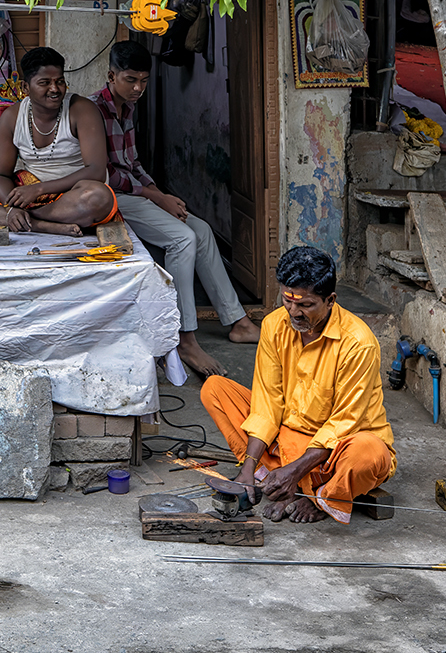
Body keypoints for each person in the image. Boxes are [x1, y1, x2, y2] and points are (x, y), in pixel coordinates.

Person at [93, 41, 260, 378]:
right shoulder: (95, 111)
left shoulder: (128, 108)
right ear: (111, 76)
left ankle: (237, 320)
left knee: (200, 229)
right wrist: (154, 197)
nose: (138, 88)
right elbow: (103, 173)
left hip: (136, 193)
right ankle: (184, 337)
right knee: (183, 238)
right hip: (109, 197)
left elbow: (132, 162)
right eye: (130, 80)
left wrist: (159, 192)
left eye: (143, 80)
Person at [200, 246, 396, 525]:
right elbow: (267, 404)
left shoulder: (358, 343)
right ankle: (280, 478)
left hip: (336, 451)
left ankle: (321, 496)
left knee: (369, 453)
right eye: (287, 301)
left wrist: (293, 471)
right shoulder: (273, 325)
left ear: (330, 300)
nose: (294, 312)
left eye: (305, 305)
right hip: (286, 440)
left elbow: (344, 423)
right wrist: (248, 467)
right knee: (216, 390)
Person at [0, 46, 117, 236]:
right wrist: (10, 208)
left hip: (71, 194)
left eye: (60, 81)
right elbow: (1, 175)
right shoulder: (12, 117)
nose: (55, 89)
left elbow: (96, 171)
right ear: (25, 87)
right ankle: (39, 224)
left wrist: (38, 189)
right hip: (26, 192)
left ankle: (28, 219)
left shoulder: (82, 109)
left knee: (99, 197)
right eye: (45, 82)